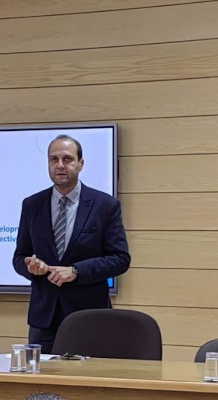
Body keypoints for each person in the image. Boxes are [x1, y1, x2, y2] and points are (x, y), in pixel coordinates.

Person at [13, 135, 131, 354]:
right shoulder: (32, 205)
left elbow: (120, 259)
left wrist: (76, 271)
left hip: (88, 316)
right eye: (53, 159)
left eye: (67, 159)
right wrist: (31, 267)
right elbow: (19, 257)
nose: (60, 165)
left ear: (80, 163)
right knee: (42, 381)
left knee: (89, 382)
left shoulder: (105, 205)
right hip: (44, 318)